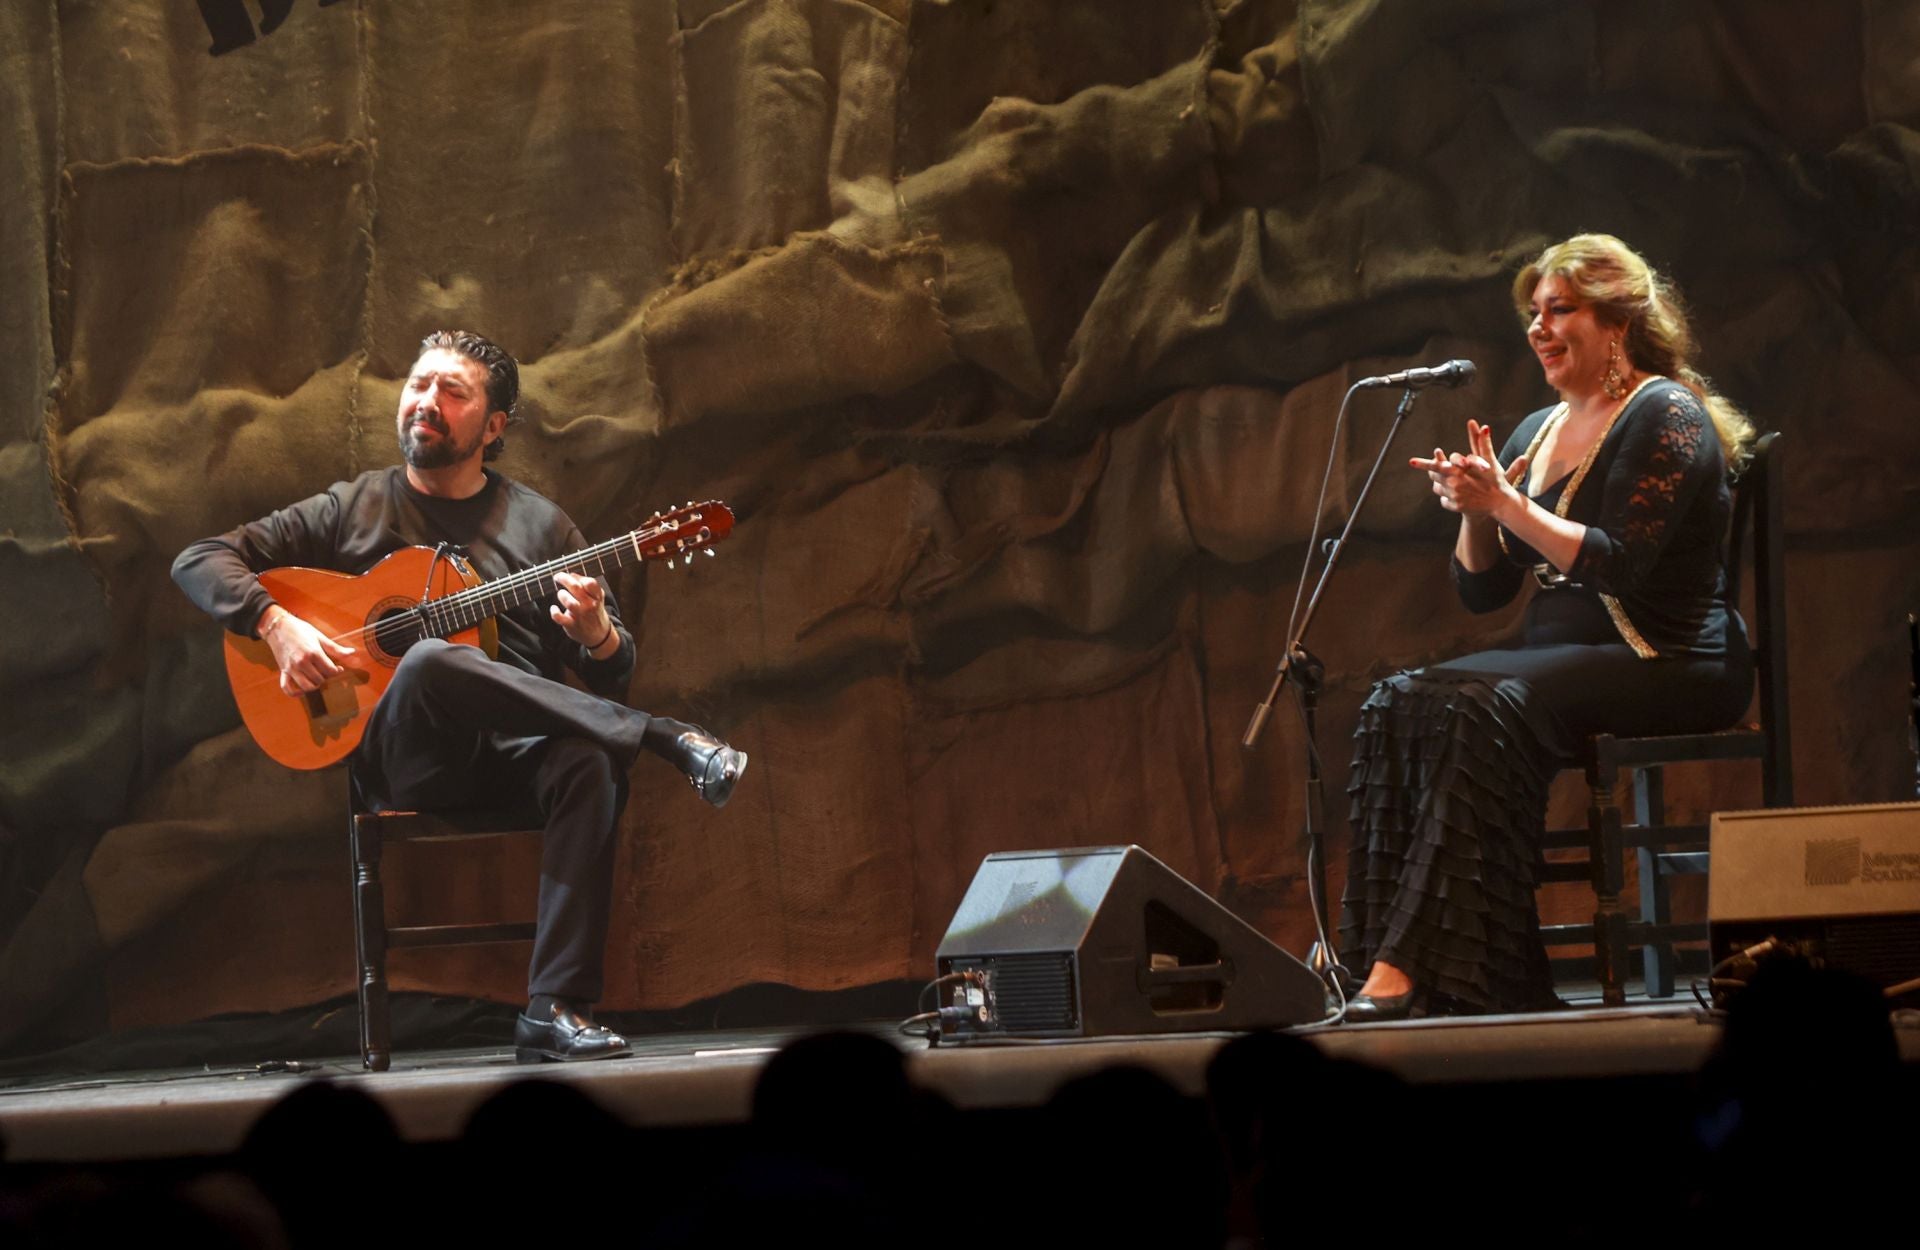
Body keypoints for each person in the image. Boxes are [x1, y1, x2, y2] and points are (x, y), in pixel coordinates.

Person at [173, 329, 747, 1061]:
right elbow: (199, 559)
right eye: (420, 386)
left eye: (454, 392)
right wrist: (274, 623)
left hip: (516, 758)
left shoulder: (542, 527)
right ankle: (667, 737)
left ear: (494, 425)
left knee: (590, 764)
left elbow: (610, 676)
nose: (427, 403)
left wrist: (599, 634)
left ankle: (553, 1009)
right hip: (406, 760)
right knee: (429, 661)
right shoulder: (351, 509)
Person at [1339, 234, 1756, 1020]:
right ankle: (1413, 961)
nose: (1539, 327)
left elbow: (1620, 564)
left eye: (1560, 310)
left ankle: (1417, 967)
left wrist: (1505, 503)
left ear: (1617, 323)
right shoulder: (1538, 428)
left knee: (1480, 703)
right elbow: (1484, 589)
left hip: (1665, 657)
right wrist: (1476, 513)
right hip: (1564, 658)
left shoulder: (1666, 412)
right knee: (1395, 700)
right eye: (1535, 312)